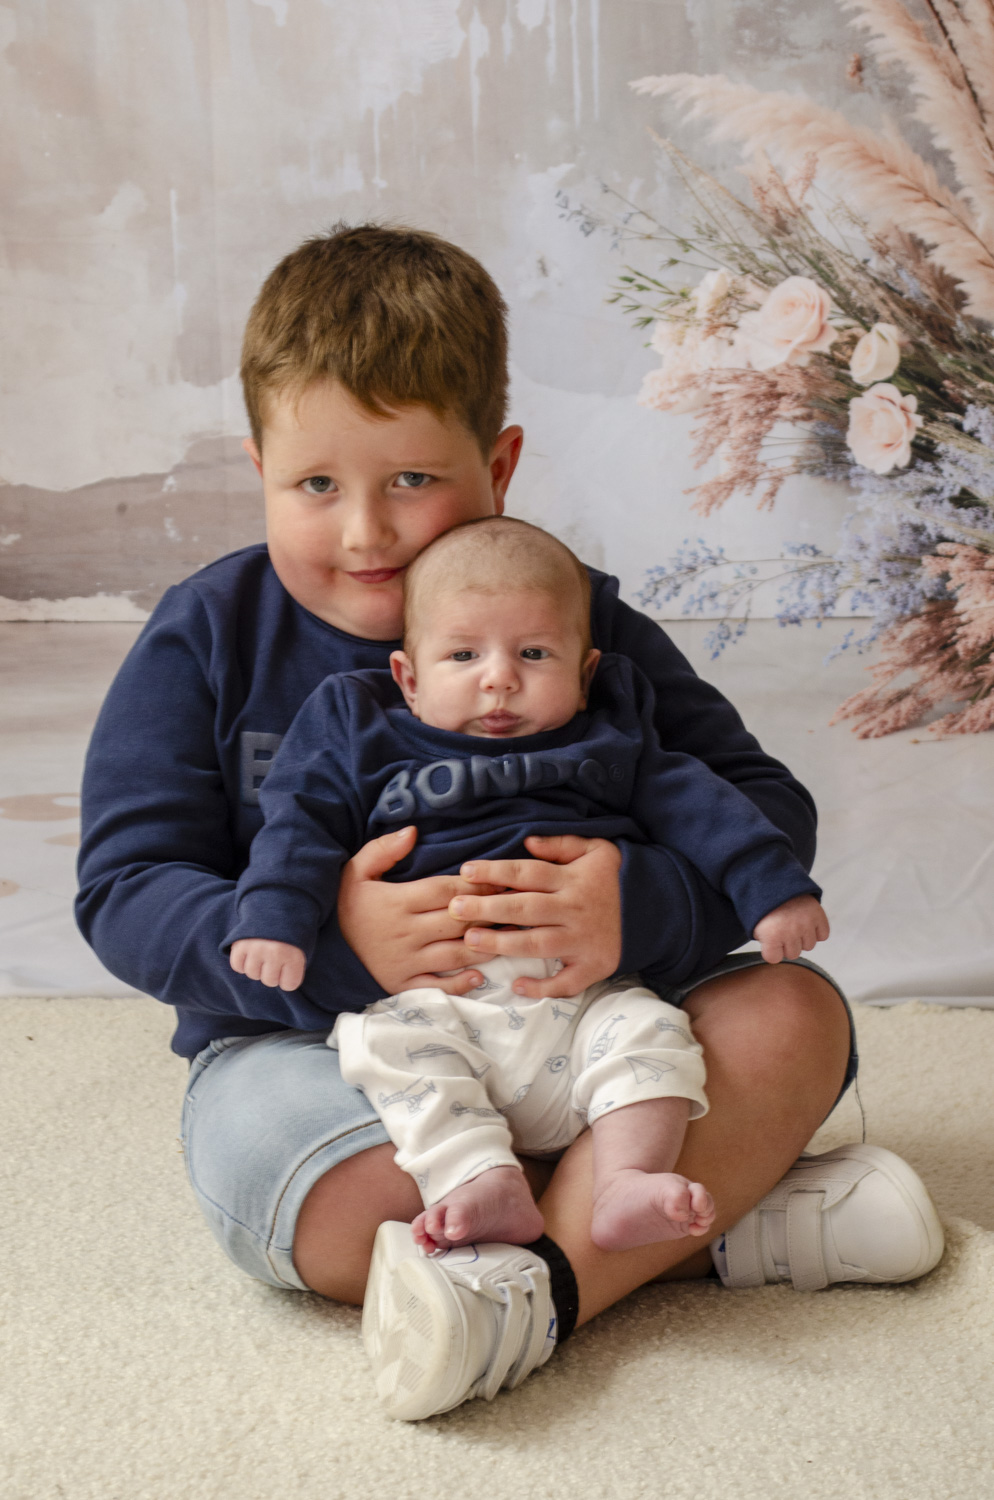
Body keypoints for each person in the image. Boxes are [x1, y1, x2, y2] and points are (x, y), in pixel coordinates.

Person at [76, 223, 944, 1426]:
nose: (366, 533)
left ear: (500, 463)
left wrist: (635, 906)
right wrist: (335, 945)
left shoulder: (577, 624)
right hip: (329, 1053)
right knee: (305, 1194)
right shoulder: (208, 633)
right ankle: (710, 1230)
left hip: (592, 1033)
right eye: (316, 486)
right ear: (259, 466)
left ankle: (512, 1294)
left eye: (411, 481)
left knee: (794, 1014)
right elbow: (126, 889)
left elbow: (762, 807)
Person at [227, 515, 831, 1272]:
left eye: (534, 654)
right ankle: (484, 1180)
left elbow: (711, 810)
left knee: (649, 1035)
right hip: (433, 1000)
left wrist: (774, 891)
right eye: (463, 655)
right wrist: (276, 919)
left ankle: (624, 1181)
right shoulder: (362, 733)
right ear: (408, 678)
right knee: (381, 1049)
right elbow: (298, 827)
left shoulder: (607, 742)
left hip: (583, 996)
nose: (499, 679)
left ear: (584, 673)